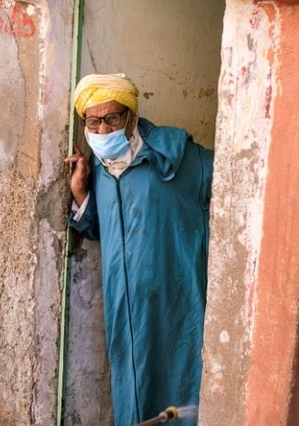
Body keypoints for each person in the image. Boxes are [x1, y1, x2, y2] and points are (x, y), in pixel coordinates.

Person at [64, 73, 213, 425]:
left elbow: (233, 178)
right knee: (133, 391)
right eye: (93, 121)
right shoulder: (99, 170)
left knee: (181, 386)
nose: (103, 131)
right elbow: (103, 230)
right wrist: (81, 194)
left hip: (176, 301)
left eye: (112, 118)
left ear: (131, 117)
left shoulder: (177, 157)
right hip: (126, 309)